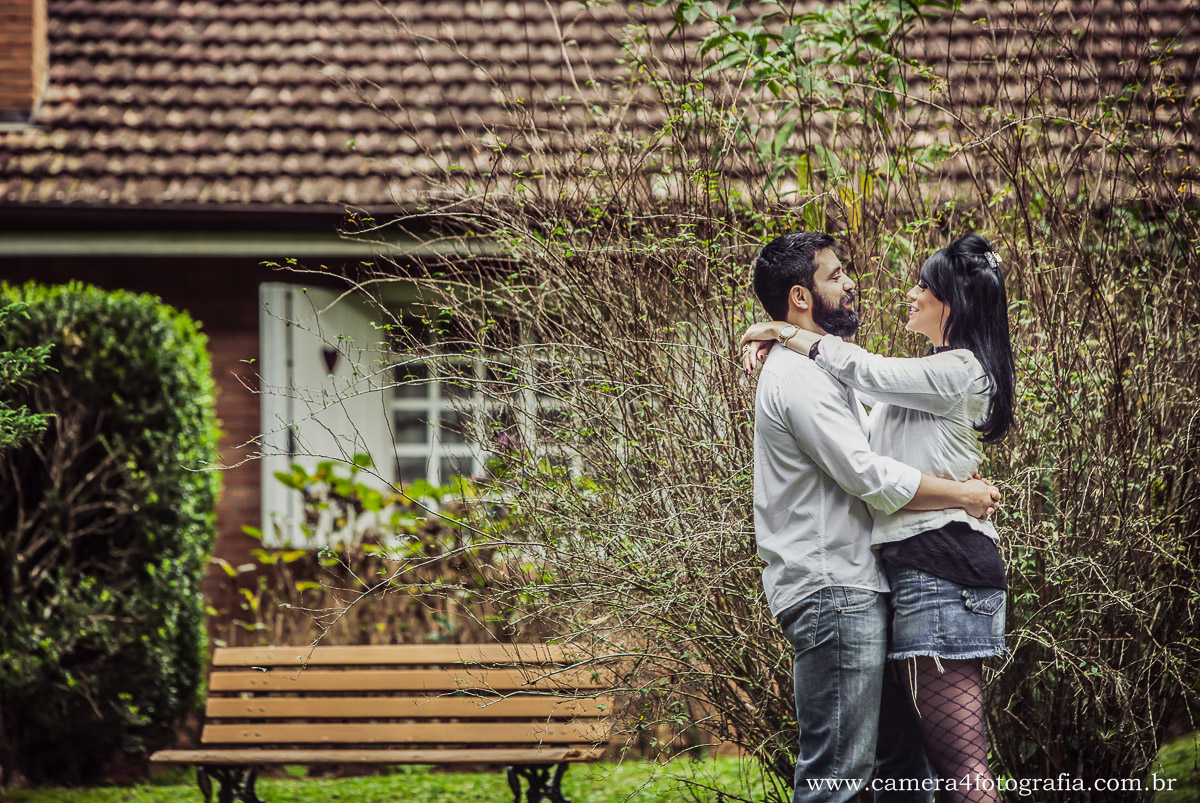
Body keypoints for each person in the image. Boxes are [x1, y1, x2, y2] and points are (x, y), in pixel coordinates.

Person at [741, 233, 1014, 803]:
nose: (852, 283)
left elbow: (866, 414)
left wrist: (785, 335)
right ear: (800, 295)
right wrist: (957, 493)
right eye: (836, 276)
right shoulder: (802, 377)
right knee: (864, 774)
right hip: (843, 586)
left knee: (925, 768)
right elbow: (867, 470)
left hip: (923, 575)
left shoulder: (952, 370)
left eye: (923, 285)